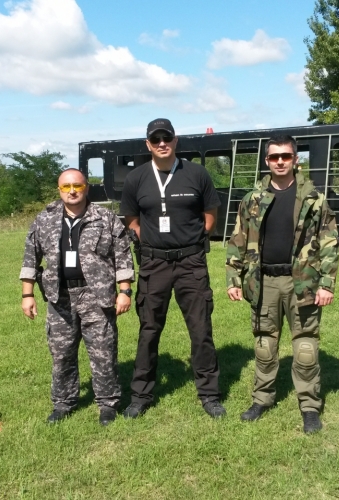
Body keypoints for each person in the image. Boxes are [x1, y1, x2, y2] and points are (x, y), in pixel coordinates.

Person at [226, 135, 339, 433]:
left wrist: (327, 283)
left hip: (302, 282)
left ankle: (310, 406)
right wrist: (233, 278)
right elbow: (238, 239)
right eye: (274, 157)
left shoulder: (313, 199)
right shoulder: (252, 199)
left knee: (305, 346)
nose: (280, 162)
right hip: (263, 282)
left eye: (285, 156)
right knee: (264, 344)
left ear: (295, 159)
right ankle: (261, 399)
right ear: (267, 160)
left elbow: (328, 242)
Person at [120, 118, 226, 419]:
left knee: (201, 330)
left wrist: (192, 241)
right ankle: (140, 396)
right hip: (154, 264)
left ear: (175, 141)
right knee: (149, 330)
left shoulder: (196, 173)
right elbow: (132, 220)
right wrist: (151, 242)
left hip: (191, 263)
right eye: (156, 139)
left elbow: (210, 215)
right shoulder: (137, 178)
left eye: (167, 138)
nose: (162, 143)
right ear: (148, 144)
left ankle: (209, 395)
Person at [20, 168, 134, 427]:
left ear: (86, 188)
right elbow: (30, 257)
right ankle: (63, 402)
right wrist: (27, 294)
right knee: (61, 354)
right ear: (59, 189)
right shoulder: (45, 219)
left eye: (77, 186)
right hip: (59, 297)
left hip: (97, 296)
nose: (72, 191)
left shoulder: (105, 218)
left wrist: (125, 291)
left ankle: (108, 404)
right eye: (66, 187)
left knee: (103, 352)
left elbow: (122, 256)